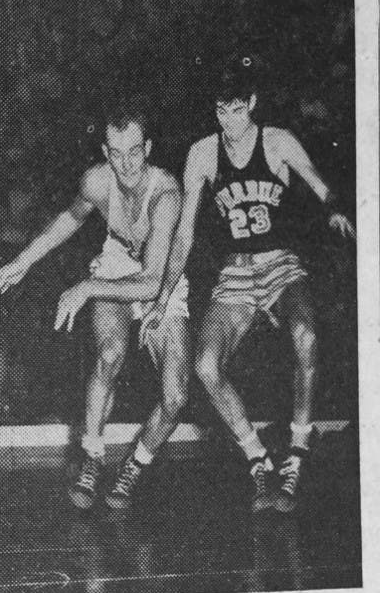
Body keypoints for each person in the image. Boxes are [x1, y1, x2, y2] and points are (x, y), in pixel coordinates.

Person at [145, 58, 355, 513]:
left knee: (307, 337)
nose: (230, 121)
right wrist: (163, 295)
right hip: (236, 272)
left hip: (279, 264)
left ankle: (296, 456)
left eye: (238, 110)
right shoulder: (202, 153)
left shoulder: (277, 142)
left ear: (252, 104)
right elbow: (184, 233)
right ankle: (259, 460)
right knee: (204, 366)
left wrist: (336, 209)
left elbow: (320, 185)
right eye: (222, 111)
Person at [0, 103, 189, 510]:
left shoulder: (166, 194)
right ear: (105, 151)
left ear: (148, 148)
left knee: (176, 398)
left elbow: (152, 282)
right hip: (115, 265)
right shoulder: (98, 182)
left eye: (134, 151)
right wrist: (21, 262)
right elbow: (70, 218)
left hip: (160, 281)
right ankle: (93, 457)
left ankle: (136, 462)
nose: (126, 163)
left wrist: (85, 286)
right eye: (116, 153)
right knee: (110, 353)